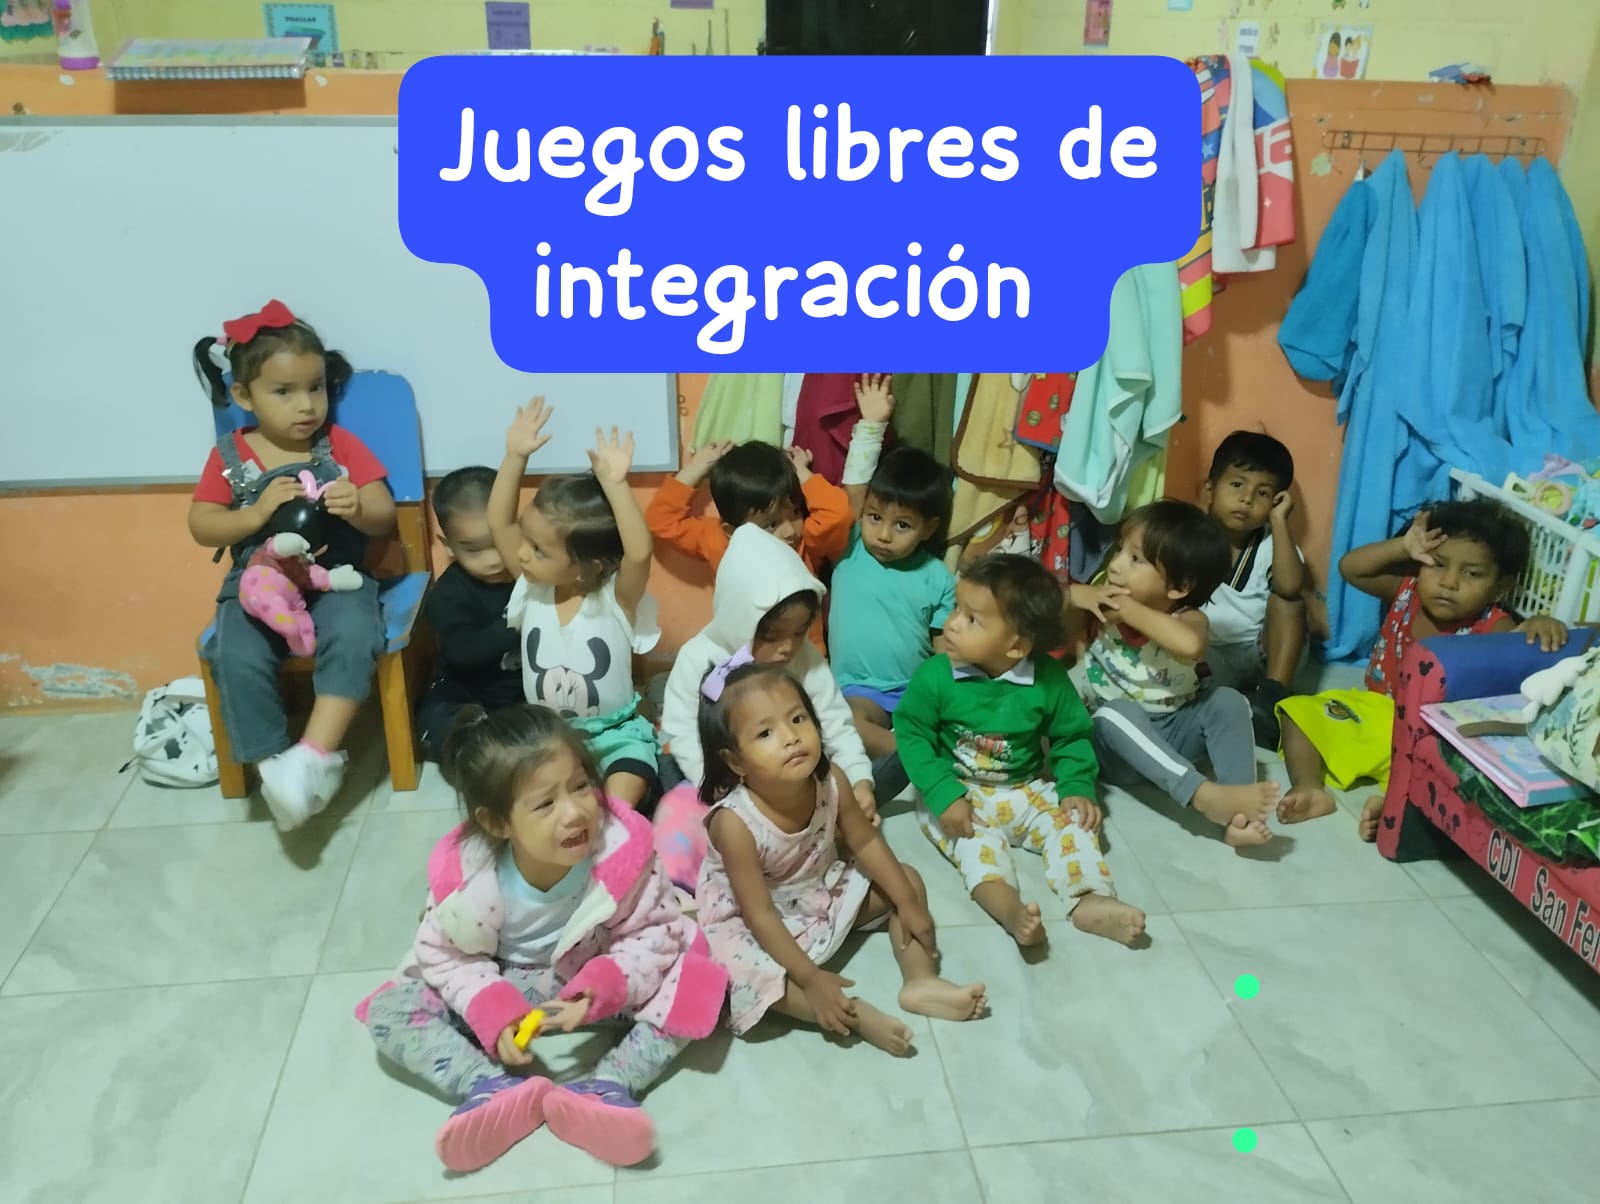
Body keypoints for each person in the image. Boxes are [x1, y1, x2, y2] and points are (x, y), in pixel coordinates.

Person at [356, 705, 726, 1173]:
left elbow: (653, 931)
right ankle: (487, 1088)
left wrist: (602, 987)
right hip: (502, 979)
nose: (575, 812)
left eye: (580, 786)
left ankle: (609, 1085)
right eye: (545, 804)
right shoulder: (468, 878)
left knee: (700, 978)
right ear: (498, 823)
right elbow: (446, 958)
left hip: (596, 979)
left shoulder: (621, 852)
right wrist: (493, 1010)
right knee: (389, 1010)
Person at [694, 660, 987, 1053]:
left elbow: (865, 843)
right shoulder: (735, 824)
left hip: (819, 888)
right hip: (757, 919)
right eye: (765, 732)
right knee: (738, 974)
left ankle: (921, 980)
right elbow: (759, 913)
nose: (791, 738)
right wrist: (811, 978)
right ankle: (850, 1014)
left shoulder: (832, 781)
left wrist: (906, 902)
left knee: (907, 880)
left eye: (797, 719)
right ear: (735, 762)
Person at [187, 300, 394, 830]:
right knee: (233, 649)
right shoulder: (230, 455)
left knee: (353, 633)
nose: (306, 405)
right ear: (243, 395)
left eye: (316, 388)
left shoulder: (338, 446)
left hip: (335, 579)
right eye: (284, 392)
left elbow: (383, 515)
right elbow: (202, 525)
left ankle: (313, 755)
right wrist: (255, 513)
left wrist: (359, 507)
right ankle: (272, 765)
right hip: (259, 583)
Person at [897, 554, 1148, 950]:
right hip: (957, 792)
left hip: (1025, 788)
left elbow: (1071, 736)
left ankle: (1090, 899)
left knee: (1077, 825)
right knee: (976, 848)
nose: (952, 623)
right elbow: (912, 735)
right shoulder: (936, 676)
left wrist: (1076, 786)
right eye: (957, 609)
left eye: (972, 619)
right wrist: (943, 794)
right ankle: (1010, 910)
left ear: (1015, 646)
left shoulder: (1048, 680)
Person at [1277, 499, 1568, 837]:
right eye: (1438, 564)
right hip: (1377, 711)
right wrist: (1402, 547)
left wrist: (1540, 623)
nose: (1449, 582)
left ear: (1499, 587)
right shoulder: (1406, 591)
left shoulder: (1495, 626)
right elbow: (1350, 568)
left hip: (1431, 736)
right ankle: (1309, 787)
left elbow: (1530, 659)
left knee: (1451, 777)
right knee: (1297, 712)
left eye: (1472, 573)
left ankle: (1394, 806)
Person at [1070, 501, 1281, 848]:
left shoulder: (1189, 618)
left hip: (1173, 734)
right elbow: (1053, 599)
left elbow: (1189, 644)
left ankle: (1239, 814)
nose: (1116, 565)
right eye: (1120, 550)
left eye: (1135, 559)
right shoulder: (1104, 600)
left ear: (1179, 587)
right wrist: (1082, 594)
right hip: (1114, 749)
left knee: (1228, 701)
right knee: (1114, 713)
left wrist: (1128, 609)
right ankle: (1201, 795)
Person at [487, 398, 661, 807]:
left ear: (587, 567)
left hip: (616, 735)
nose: (522, 553)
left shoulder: (616, 599)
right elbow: (499, 522)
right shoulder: (531, 585)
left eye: (538, 549)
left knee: (622, 794)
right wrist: (514, 458)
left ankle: (614, 826)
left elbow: (638, 553)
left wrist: (616, 486)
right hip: (548, 740)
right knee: (525, 799)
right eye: (525, 539)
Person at [661, 525, 887, 822]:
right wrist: (718, 789)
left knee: (845, 784)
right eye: (772, 635)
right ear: (739, 621)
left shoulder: (804, 657)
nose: (788, 647)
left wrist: (860, 780)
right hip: (723, 778)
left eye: (799, 632)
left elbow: (835, 722)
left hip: (787, 772)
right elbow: (684, 733)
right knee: (670, 783)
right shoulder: (699, 658)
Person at [832, 375, 957, 759]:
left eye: (902, 525)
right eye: (875, 518)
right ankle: (909, 754)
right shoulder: (852, 545)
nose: (883, 535)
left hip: (915, 690)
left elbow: (943, 650)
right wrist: (872, 425)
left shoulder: (937, 575)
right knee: (842, 721)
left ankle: (913, 751)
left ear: (928, 529)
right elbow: (855, 486)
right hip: (859, 691)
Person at [646, 433, 852, 651]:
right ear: (732, 531)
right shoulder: (719, 541)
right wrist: (697, 468)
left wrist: (798, 471)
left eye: (795, 513)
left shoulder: (803, 545)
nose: (790, 531)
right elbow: (660, 519)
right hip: (743, 658)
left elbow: (838, 514)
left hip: (804, 659)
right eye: (771, 524)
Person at [1198, 431, 1306, 746]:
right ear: (1210, 490)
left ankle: (1270, 699)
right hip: (1207, 655)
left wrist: (1280, 522)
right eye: (1237, 484)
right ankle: (1233, 702)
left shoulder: (1272, 543)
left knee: (1291, 602)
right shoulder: (1189, 536)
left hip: (1261, 655)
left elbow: (1290, 586)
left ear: (1276, 501)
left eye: (1262, 493)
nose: (1247, 498)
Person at [416, 467, 520, 761]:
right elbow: (462, 652)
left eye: (499, 543)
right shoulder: (449, 592)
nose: (493, 560)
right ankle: (475, 753)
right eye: (473, 550)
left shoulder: (534, 574)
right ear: (448, 546)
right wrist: (516, 622)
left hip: (523, 697)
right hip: (465, 695)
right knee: (439, 723)